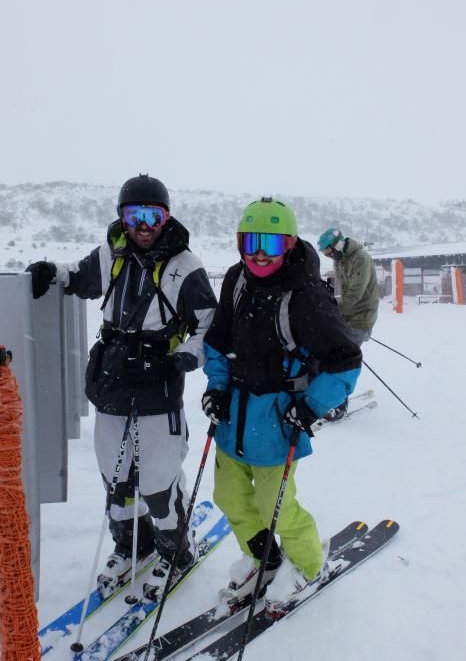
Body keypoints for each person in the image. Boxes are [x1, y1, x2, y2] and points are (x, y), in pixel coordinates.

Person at [26, 174, 217, 600]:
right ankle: (134, 545)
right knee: (117, 480)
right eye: (135, 215)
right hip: (112, 379)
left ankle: (175, 553)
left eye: (154, 215)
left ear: (166, 217)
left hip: (157, 383)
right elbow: (75, 277)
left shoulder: (186, 267)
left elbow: (209, 326)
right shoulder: (109, 254)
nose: (144, 224)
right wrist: (48, 272)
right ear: (122, 217)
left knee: (157, 482)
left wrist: (184, 356)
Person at [201, 197, 362, 616]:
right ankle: (264, 560)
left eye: (270, 244)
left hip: (276, 421)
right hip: (233, 415)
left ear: (289, 245)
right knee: (230, 498)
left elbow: (345, 360)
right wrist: (216, 387)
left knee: (277, 505)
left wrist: (311, 407)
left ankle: (308, 564)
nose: (258, 253)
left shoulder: (306, 296)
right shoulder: (236, 280)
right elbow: (217, 342)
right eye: (251, 241)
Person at [317, 228, 379, 346]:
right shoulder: (339, 260)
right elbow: (341, 288)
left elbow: (355, 293)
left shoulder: (361, 259)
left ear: (337, 245)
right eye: (326, 255)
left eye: (329, 253)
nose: (329, 256)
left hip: (362, 317)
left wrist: (333, 310)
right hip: (348, 315)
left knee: (342, 353)